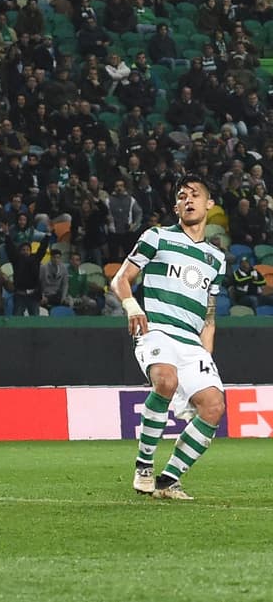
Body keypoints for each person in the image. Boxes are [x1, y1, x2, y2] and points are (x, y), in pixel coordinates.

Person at [112, 174, 226, 500]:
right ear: (176, 207)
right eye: (182, 196)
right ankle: (144, 466)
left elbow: (209, 315)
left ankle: (168, 481)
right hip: (157, 329)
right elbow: (120, 279)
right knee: (165, 381)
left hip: (192, 343)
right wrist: (132, 307)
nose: (188, 200)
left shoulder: (216, 259)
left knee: (213, 406)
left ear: (209, 204)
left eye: (195, 194)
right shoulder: (157, 237)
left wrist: (205, 356)